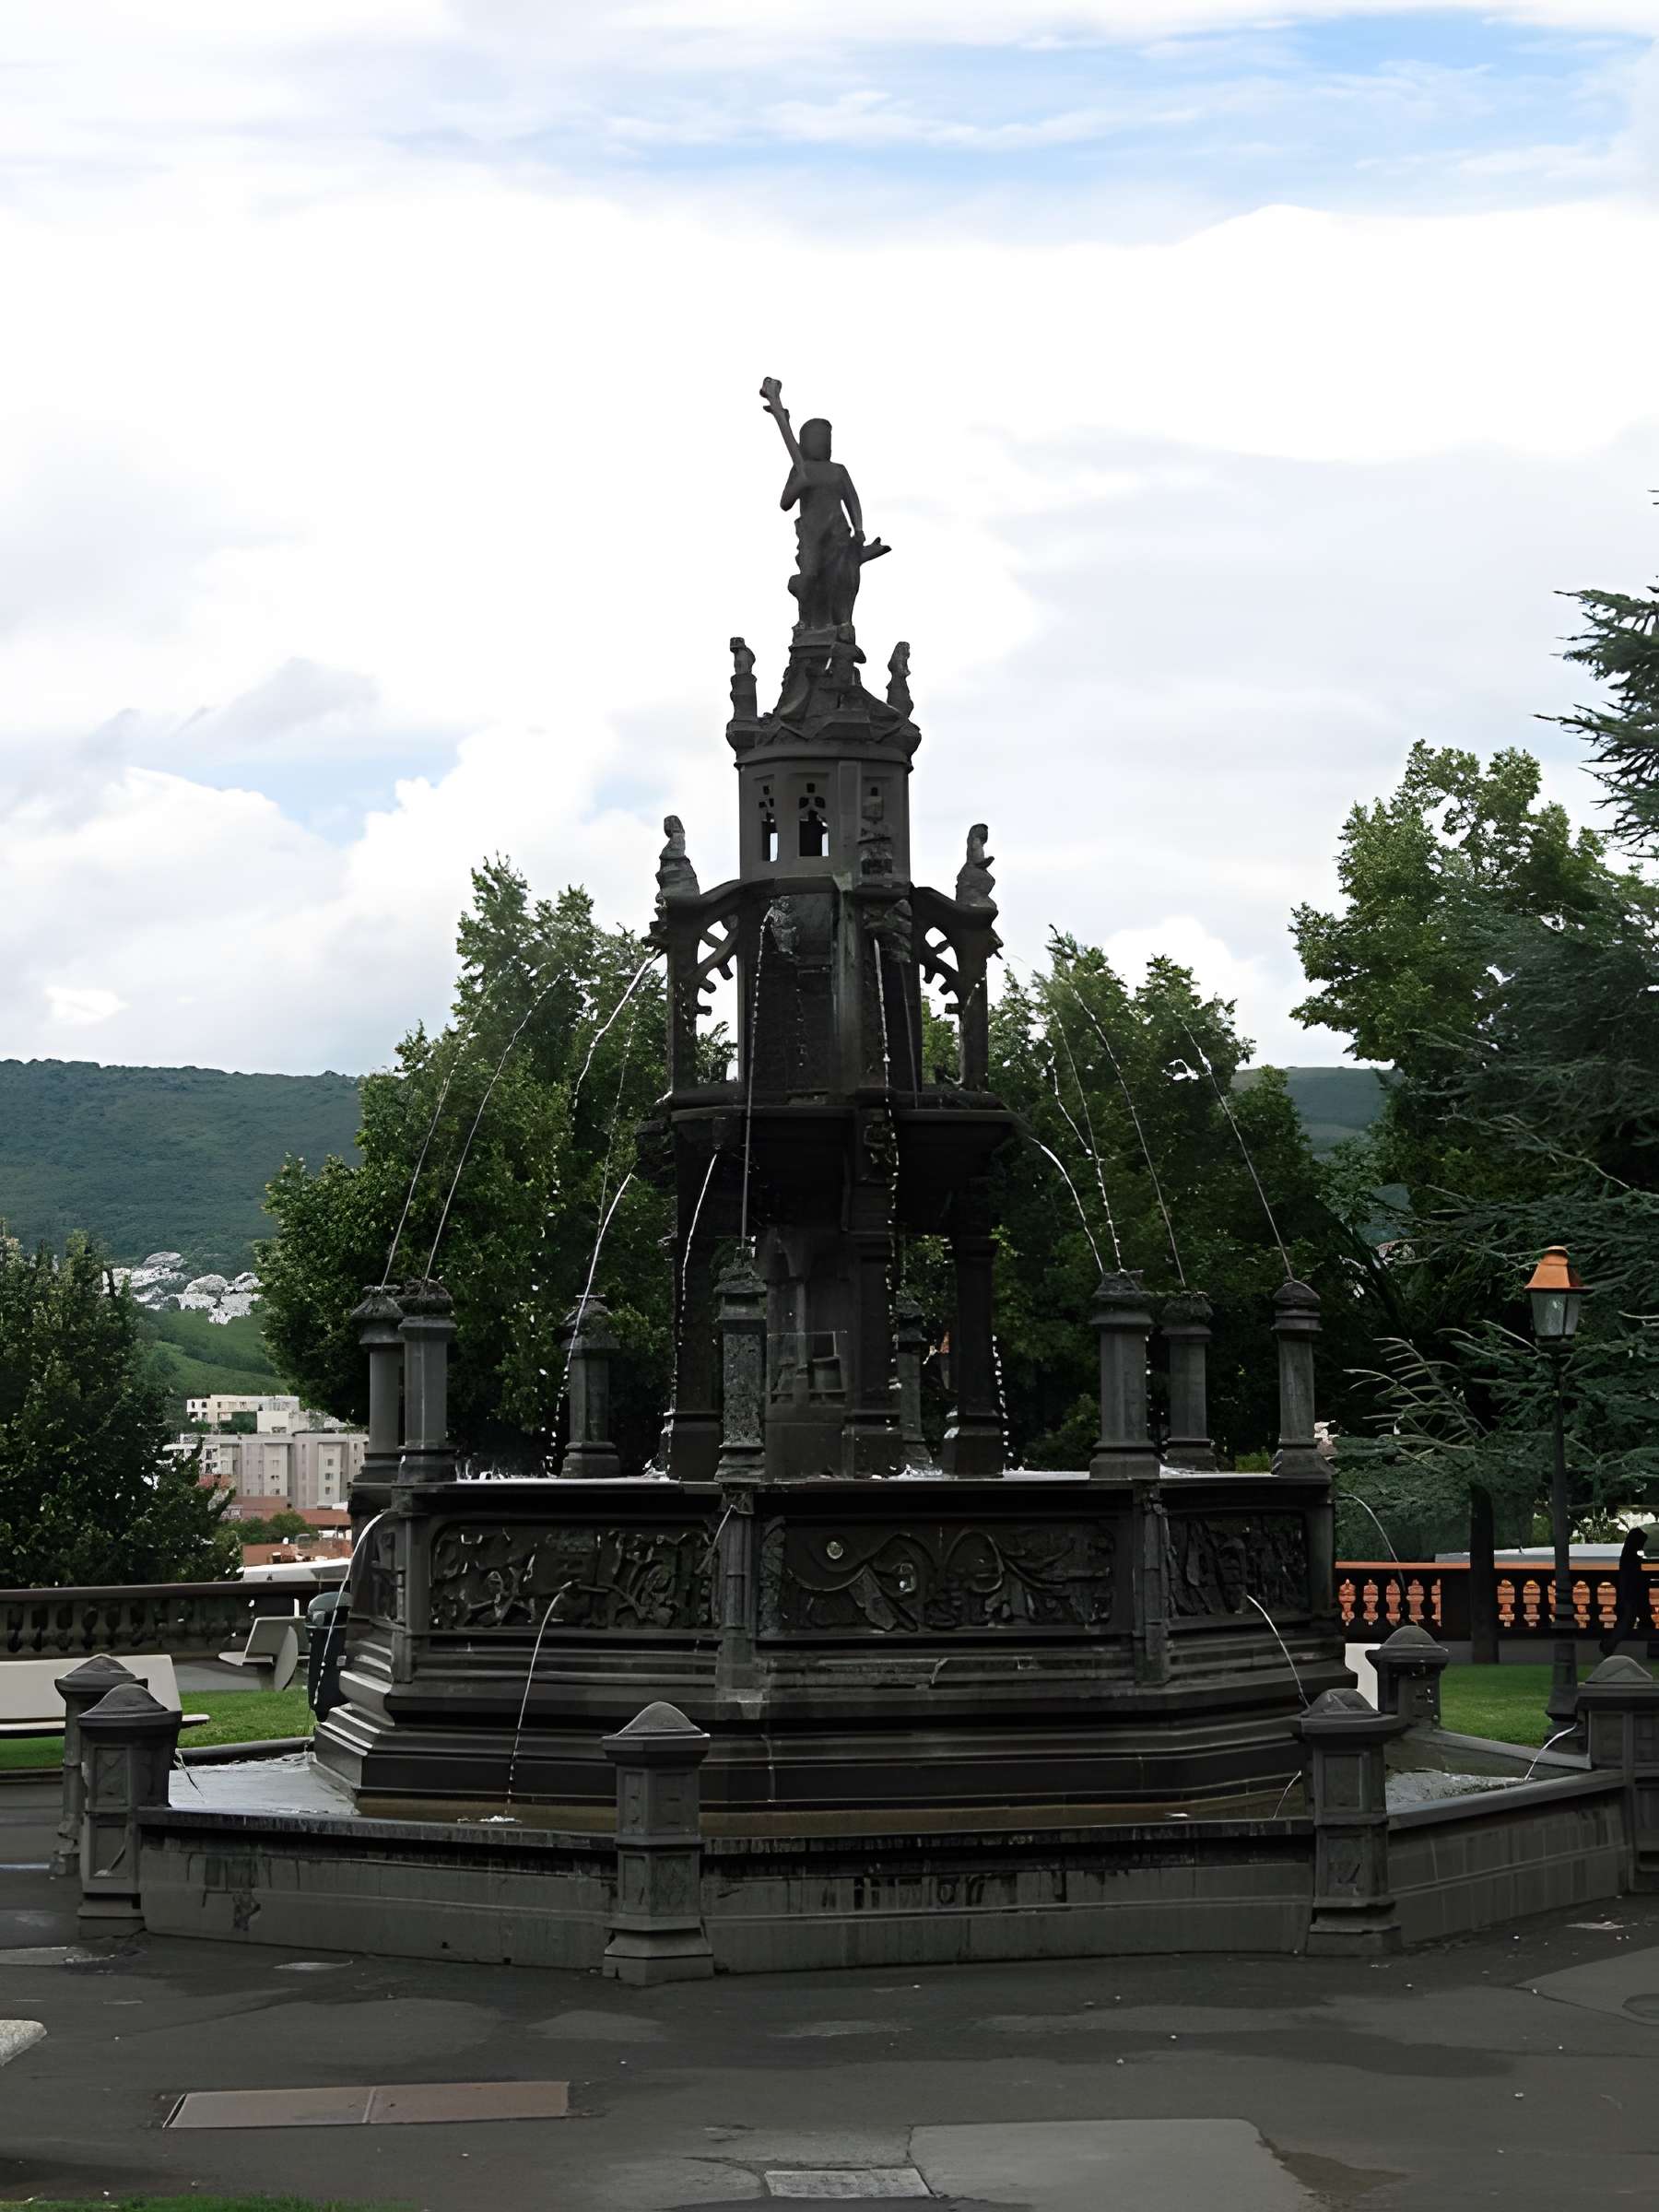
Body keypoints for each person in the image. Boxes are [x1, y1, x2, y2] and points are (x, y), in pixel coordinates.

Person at [1599, 1526, 1653, 1655]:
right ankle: (1609, 1645)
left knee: (1627, 1621)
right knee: (1627, 1621)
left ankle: (1610, 1645)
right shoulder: (1631, 1559)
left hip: (1628, 1594)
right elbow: (1631, 1579)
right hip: (1630, 1594)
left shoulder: (1628, 1557)